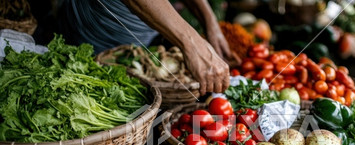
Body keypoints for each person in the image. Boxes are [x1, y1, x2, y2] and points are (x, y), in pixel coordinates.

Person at [58, 0, 231, 95]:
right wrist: (193, 43)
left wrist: (210, 22)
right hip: (98, 28)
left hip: (145, 30)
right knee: (95, 87)